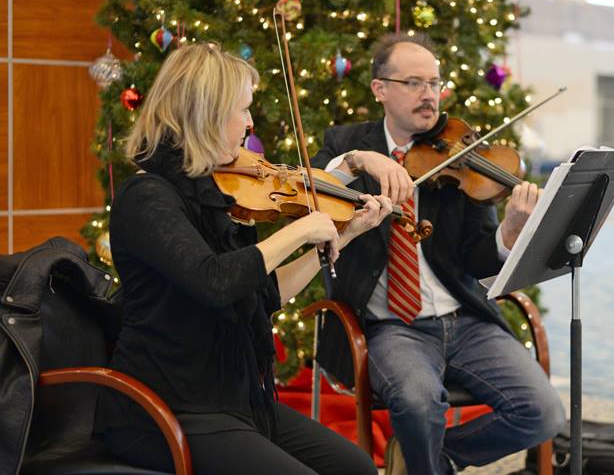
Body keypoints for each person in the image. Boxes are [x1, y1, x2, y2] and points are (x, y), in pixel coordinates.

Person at [96, 43, 393, 475]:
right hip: (166, 406)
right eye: (243, 110)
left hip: (235, 400)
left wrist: (341, 237)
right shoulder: (146, 196)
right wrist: (298, 229)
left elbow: (264, 293)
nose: (250, 123)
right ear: (206, 114)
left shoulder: (222, 193)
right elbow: (212, 281)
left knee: (357, 468)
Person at [310, 33, 566, 475]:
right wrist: (360, 162)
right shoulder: (347, 143)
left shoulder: (459, 154)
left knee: (543, 411)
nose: (429, 95)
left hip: (464, 320)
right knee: (416, 401)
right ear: (380, 89)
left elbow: (478, 259)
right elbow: (313, 190)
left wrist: (509, 230)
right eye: (414, 83)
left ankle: (432, 460)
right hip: (393, 326)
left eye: (434, 82)